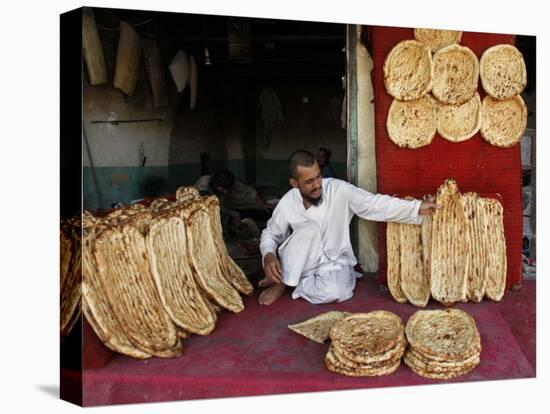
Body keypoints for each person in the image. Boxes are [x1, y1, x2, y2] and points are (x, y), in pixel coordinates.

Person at [257, 150, 438, 306]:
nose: (318, 185)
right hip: (302, 263)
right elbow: (270, 234)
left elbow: (374, 204)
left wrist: (416, 207)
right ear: (295, 183)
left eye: (319, 176)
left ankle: (290, 280)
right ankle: (282, 283)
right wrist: (268, 256)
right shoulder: (288, 202)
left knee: (337, 292)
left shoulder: (339, 190)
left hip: (332, 264)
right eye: (309, 181)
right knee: (309, 229)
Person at [194, 170, 273, 229]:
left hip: (220, 205)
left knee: (238, 213)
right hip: (199, 209)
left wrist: (263, 204)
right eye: (223, 189)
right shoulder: (203, 183)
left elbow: (249, 191)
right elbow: (206, 203)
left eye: (227, 189)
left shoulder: (229, 183)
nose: (226, 191)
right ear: (215, 184)